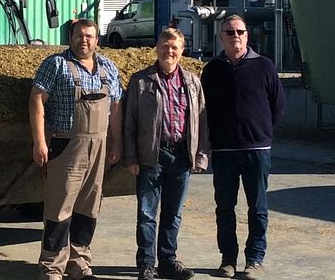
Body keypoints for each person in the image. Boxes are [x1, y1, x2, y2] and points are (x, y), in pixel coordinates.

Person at [29, 19, 123, 280]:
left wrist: (117, 143)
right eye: (79, 35)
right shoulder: (55, 64)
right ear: (70, 37)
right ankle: (51, 267)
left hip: (99, 145)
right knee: (59, 209)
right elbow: (37, 99)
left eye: (90, 36)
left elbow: (116, 107)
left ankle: (79, 262)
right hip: (66, 145)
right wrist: (40, 142)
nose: (85, 40)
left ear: (97, 39)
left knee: (89, 208)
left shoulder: (108, 67)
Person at [200, 15, 286, 279]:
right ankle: (228, 259)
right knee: (224, 208)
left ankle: (255, 259)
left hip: (256, 151)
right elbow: (204, 110)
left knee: (257, 207)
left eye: (239, 31)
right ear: (221, 37)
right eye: (229, 32)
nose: (235, 36)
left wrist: (262, 132)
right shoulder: (212, 70)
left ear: (247, 36)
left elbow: (278, 106)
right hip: (224, 151)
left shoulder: (264, 66)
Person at [122, 28, 209, 280]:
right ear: (157, 48)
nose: (168, 51)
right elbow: (129, 122)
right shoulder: (141, 81)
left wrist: (200, 155)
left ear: (182, 51)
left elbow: (202, 121)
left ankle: (168, 261)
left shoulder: (192, 82)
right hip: (152, 155)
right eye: (164, 45)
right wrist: (131, 157)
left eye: (174, 47)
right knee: (147, 214)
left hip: (181, 156)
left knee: (174, 213)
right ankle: (146, 264)